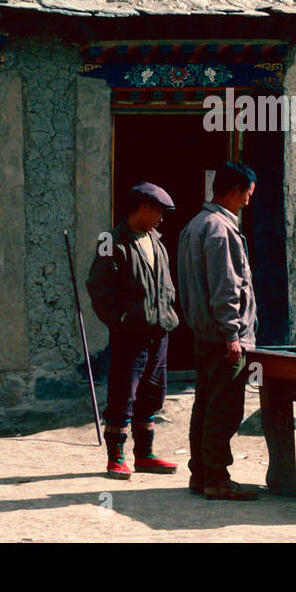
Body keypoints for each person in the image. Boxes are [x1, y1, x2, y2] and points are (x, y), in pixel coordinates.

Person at [176, 161, 260, 501]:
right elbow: (226, 287)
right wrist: (232, 334)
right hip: (224, 338)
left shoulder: (194, 225)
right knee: (224, 408)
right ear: (234, 191)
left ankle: (201, 473)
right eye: (247, 195)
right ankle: (216, 477)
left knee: (205, 406)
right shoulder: (220, 229)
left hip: (204, 335)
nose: (248, 202)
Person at [86, 182, 181, 480]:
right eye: (159, 212)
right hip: (130, 335)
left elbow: (164, 286)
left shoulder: (157, 242)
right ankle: (116, 457)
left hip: (159, 333)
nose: (162, 219)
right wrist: (122, 320)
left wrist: (167, 313)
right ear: (143, 208)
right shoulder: (111, 241)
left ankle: (145, 455)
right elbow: (99, 290)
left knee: (152, 393)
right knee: (123, 393)